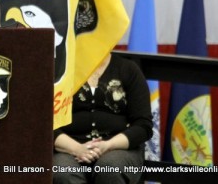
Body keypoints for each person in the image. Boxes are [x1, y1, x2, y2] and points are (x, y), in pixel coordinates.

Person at [53, 52, 153, 184]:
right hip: (68, 147)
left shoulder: (128, 69)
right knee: (62, 172)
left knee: (110, 169)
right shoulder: (59, 70)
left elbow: (143, 125)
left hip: (118, 147)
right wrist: (76, 148)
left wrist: (108, 145)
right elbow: (42, 122)